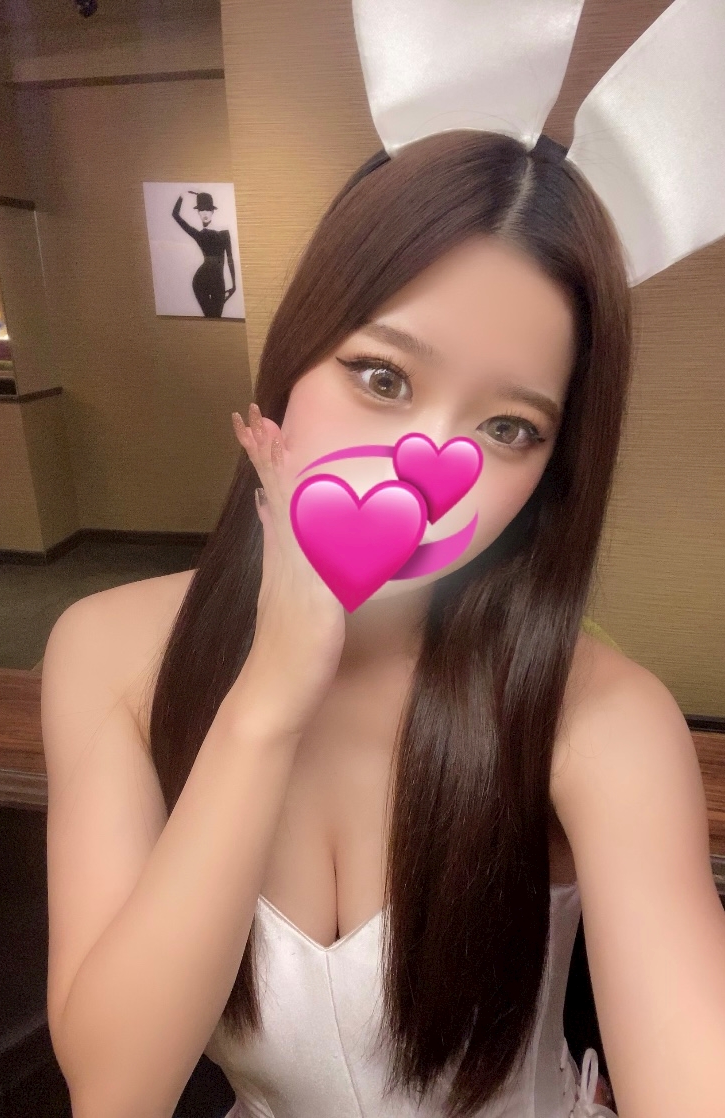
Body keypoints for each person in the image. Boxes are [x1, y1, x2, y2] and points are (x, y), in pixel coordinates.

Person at [40, 5, 725, 1118]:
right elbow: (117, 1091)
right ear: (291, 362)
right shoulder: (108, 652)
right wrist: (267, 699)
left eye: (508, 428)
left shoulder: (600, 718)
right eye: (383, 377)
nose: (430, 468)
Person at [172, 191, 237, 318]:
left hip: (218, 281)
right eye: (201, 210)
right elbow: (175, 214)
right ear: (198, 212)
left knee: (215, 318)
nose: (205, 213)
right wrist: (182, 195)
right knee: (210, 318)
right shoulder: (199, 234)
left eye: (208, 209)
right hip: (200, 281)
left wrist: (234, 285)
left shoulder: (224, 234)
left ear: (213, 211)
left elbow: (230, 259)